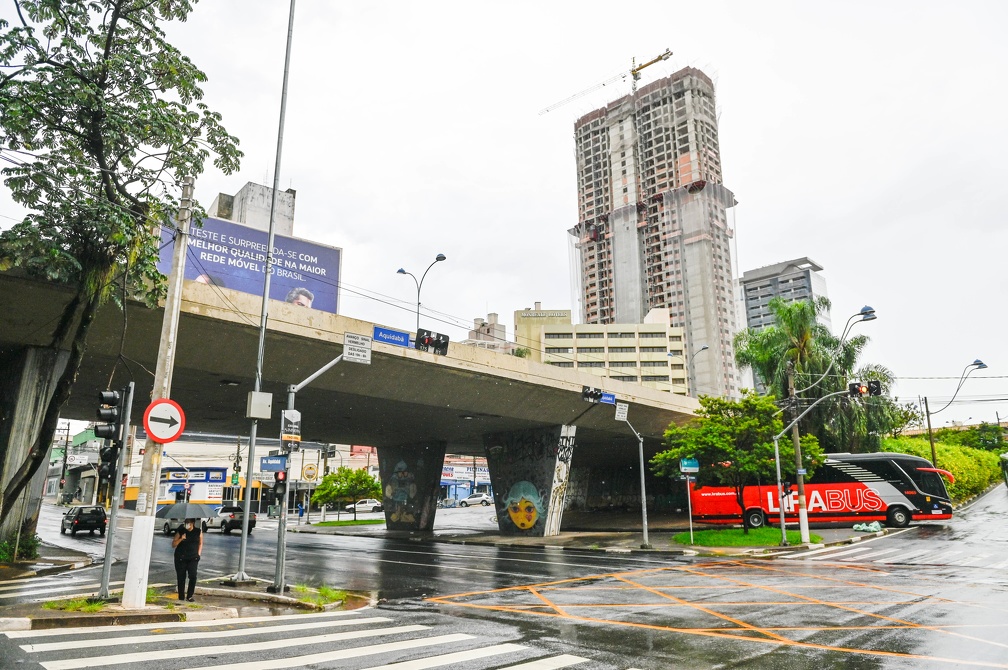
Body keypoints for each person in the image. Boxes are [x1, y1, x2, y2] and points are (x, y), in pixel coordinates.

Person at [171, 517, 203, 602]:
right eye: (185, 522)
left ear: (192, 523)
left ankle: (190, 595)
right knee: (181, 577)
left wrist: (198, 554)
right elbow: (173, 544)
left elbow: (200, 543)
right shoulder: (181, 530)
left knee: (193, 576)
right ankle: (181, 596)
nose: (187, 524)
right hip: (180, 557)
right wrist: (181, 539)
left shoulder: (198, 531)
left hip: (193, 557)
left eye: (188, 522)